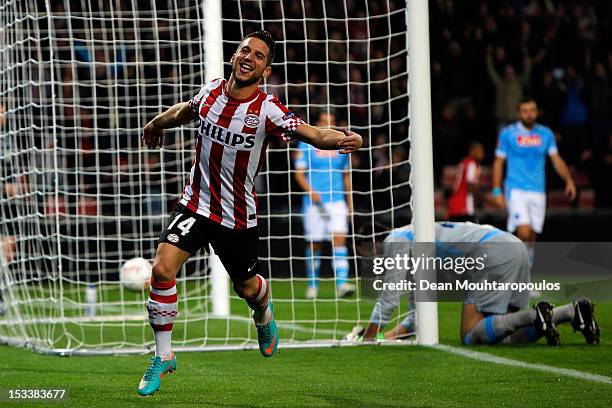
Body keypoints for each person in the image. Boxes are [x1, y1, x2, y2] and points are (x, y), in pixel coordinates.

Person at [138, 31, 362, 396]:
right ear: (233, 56)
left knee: (248, 288)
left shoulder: (267, 109)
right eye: (245, 50)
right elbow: (184, 109)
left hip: (237, 217)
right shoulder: (211, 91)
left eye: (258, 56)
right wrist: (156, 123)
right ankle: (164, 355)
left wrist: (345, 138)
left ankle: (264, 313)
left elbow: (312, 134)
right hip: (196, 204)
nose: (248, 57)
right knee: (162, 269)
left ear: (266, 69)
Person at [347, 222, 599, 346]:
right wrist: (382, 337)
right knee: (502, 337)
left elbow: (389, 299)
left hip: (491, 252)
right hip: (513, 247)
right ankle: (570, 311)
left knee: (470, 335)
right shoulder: (416, 239)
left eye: (366, 256)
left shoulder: (396, 240)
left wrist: (368, 339)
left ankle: (536, 314)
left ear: (370, 246)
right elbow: (415, 320)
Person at [491, 98, 576, 257]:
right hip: (515, 188)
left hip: (538, 190)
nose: (529, 114)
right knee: (523, 232)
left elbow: (556, 159)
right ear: (518, 113)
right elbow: (498, 162)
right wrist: (496, 191)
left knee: (531, 235)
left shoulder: (546, 134)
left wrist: (569, 180)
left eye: (532, 110)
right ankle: (520, 272)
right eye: (525, 111)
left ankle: (526, 267)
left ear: (537, 112)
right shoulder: (508, 134)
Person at [293, 110, 355, 299]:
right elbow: (299, 174)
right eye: (323, 121)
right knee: (315, 243)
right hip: (314, 203)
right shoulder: (306, 144)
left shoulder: (341, 144)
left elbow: (346, 175)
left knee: (340, 240)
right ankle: (313, 285)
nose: (327, 124)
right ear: (317, 123)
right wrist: (312, 193)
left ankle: (342, 285)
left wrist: (350, 202)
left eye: (331, 121)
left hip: (337, 200)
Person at [446, 141, 487, 222]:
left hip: (455, 207)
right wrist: (487, 199)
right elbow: (471, 186)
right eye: (479, 150)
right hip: (463, 209)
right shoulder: (472, 163)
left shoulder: (464, 162)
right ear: (472, 150)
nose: (482, 153)